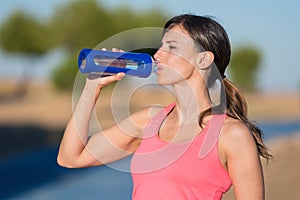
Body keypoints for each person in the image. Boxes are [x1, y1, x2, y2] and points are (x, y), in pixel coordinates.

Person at [57, 14, 272, 199]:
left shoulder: (231, 135)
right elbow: (69, 158)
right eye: (161, 46)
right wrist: (92, 86)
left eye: (172, 47)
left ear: (204, 59)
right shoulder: (148, 121)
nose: (157, 55)